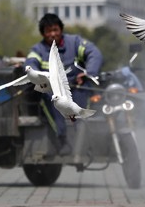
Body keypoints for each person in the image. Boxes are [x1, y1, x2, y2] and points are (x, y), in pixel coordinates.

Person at [25, 13, 103, 154]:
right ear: (43, 33)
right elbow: (31, 64)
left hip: (77, 85)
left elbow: (94, 53)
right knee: (52, 101)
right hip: (53, 91)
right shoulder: (37, 50)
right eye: (48, 31)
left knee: (81, 104)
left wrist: (89, 73)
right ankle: (63, 140)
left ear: (61, 29)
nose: (52, 34)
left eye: (55, 29)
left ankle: (83, 140)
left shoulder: (75, 42)